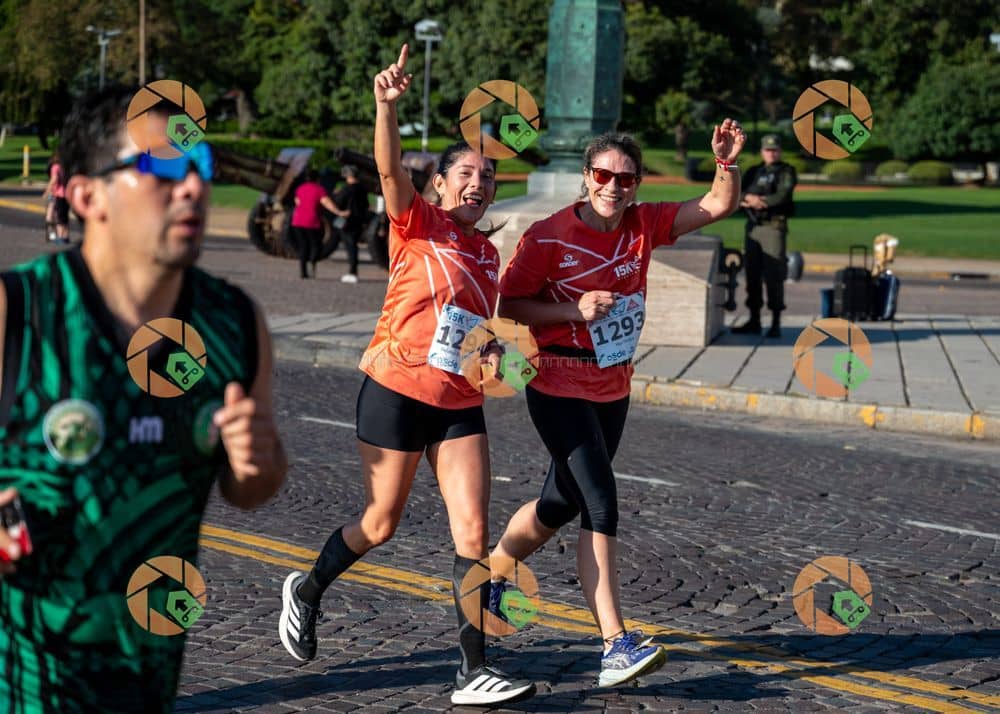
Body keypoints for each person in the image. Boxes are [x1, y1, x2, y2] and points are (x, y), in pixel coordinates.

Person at [0, 85, 287, 713]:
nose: (193, 187)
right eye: (163, 166)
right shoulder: (19, 311)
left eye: (201, 164)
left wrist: (256, 461)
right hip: (19, 682)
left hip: (146, 683)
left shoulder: (233, 323)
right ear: (87, 197)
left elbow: (253, 487)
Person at [277, 44, 535, 707]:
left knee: (472, 532)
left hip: (459, 403)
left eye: (489, 176)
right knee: (380, 524)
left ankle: (471, 671)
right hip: (394, 391)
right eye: (466, 173)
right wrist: (385, 106)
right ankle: (308, 589)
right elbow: (390, 168)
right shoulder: (416, 222)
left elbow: (477, 331)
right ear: (441, 184)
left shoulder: (488, 254)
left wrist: (499, 357)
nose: (479, 183)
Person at [489, 123, 746, 687]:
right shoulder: (548, 236)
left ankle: (492, 573)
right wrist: (572, 311)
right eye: (603, 175)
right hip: (557, 382)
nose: (613, 186)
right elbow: (510, 304)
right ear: (587, 177)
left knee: (559, 503)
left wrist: (725, 164)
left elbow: (717, 204)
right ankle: (614, 646)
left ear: (637, 184)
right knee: (600, 504)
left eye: (625, 179)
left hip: (613, 386)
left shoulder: (643, 224)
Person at [732, 134, 797, 338]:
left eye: (775, 150)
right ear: (762, 152)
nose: (771, 153)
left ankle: (776, 321)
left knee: (774, 274)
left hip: (773, 227)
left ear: (780, 151)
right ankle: (754, 320)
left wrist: (763, 202)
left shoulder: (786, 171)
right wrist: (749, 199)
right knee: (752, 274)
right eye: (768, 150)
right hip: (753, 226)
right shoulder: (754, 171)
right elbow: (738, 190)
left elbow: (783, 195)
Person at [291, 170, 339, 279]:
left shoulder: (300, 188)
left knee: (303, 245)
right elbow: (326, 203)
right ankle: (312, 264)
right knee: (315, 245)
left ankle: (303, 272)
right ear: (317, 179)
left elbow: (297, 202)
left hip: (297, 221)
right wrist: (338, 212)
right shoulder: (319, 190)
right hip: (312, 222)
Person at [331, 164, 369, 283]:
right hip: (359, 219)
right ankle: (353, 270)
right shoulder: (362, 188)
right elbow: (366, 205)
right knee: (353, 244)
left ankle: (352, 271)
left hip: (347, 220)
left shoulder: (347, 189)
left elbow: (338, 201)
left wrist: (335, 194)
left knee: (350, 245)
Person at [43, 152, 70, 243]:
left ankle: (56, 236)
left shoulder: (55, 167)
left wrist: (47, 190)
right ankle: (65, 236)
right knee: (64, 216)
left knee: (54, 215)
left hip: (57, 193)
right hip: (65, 193)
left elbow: (54, 179)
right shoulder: (64, 167)